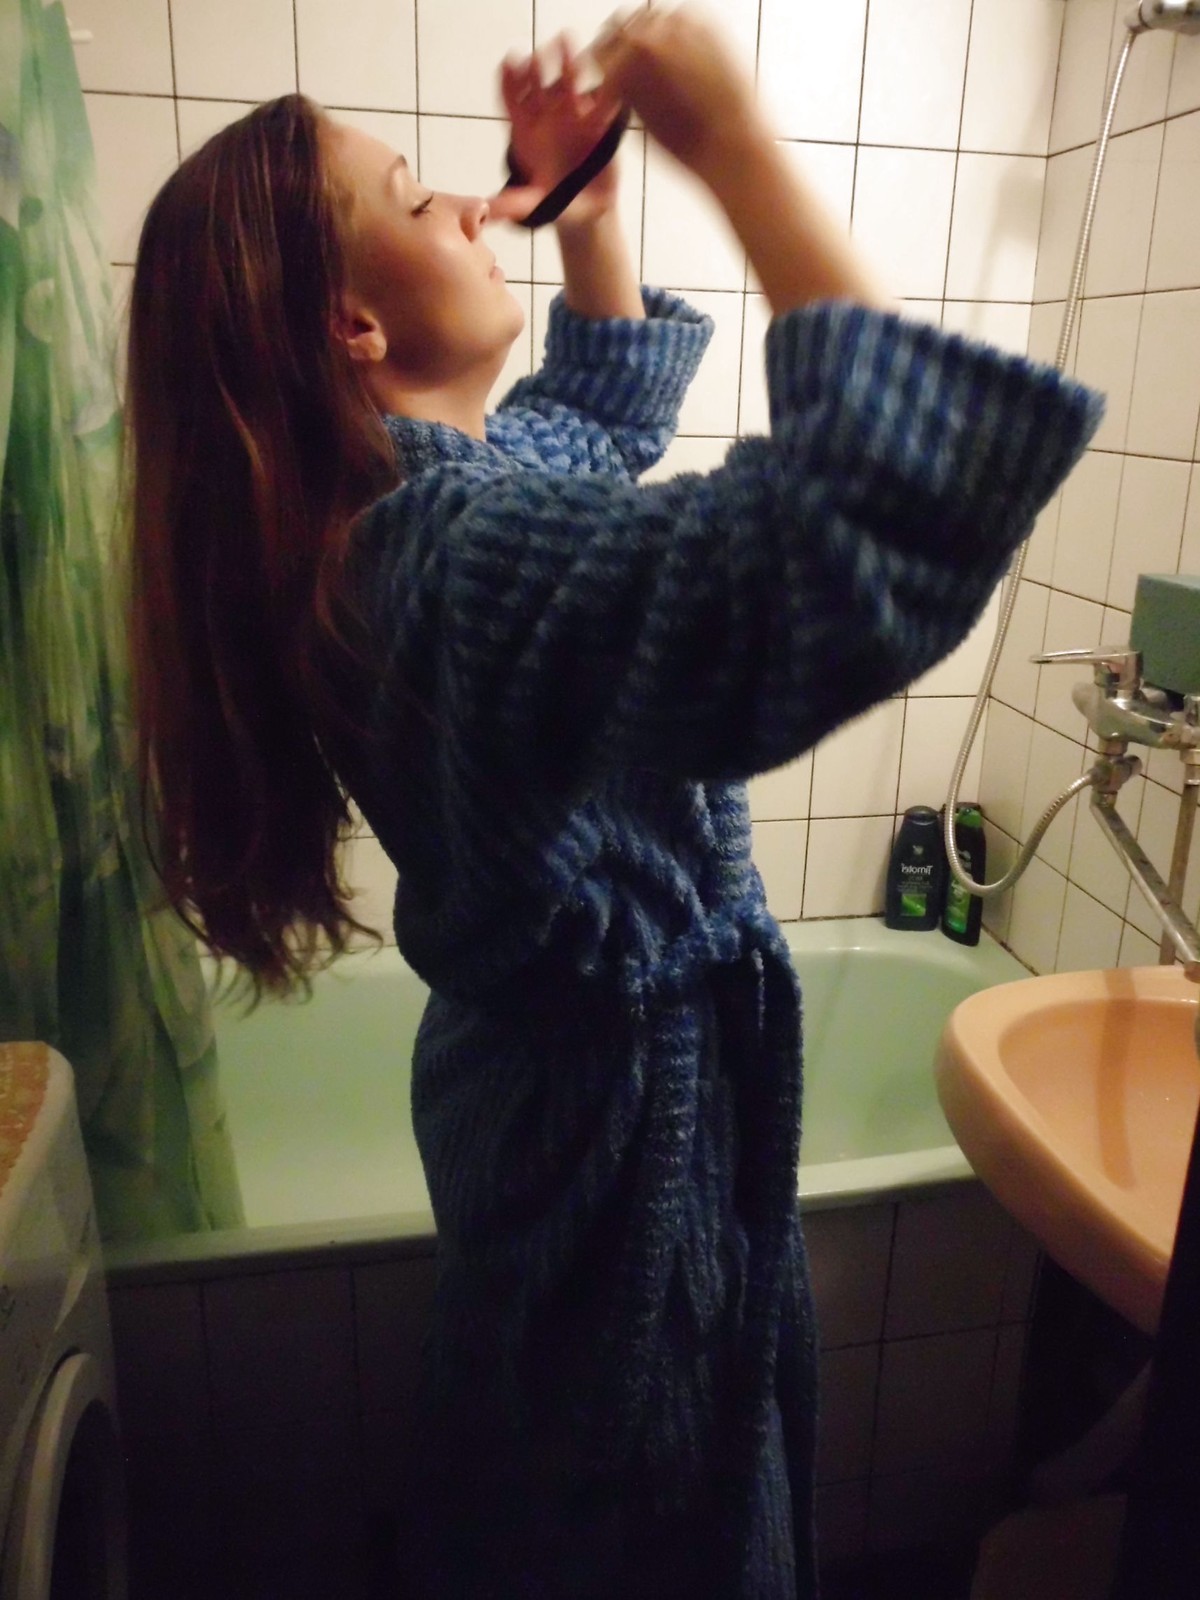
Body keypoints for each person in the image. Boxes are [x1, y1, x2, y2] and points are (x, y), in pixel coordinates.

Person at [125, 8, 1102, 1596]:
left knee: (558, 1502)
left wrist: (586, 215)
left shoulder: (417, 515)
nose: (468, 205)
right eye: (415, 197)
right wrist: (735, 148)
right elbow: (853, 533)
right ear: (353, 326)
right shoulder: (441, 569)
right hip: (616, 1166)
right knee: (643, 1532)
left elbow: (593, 418)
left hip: (563, 1117)